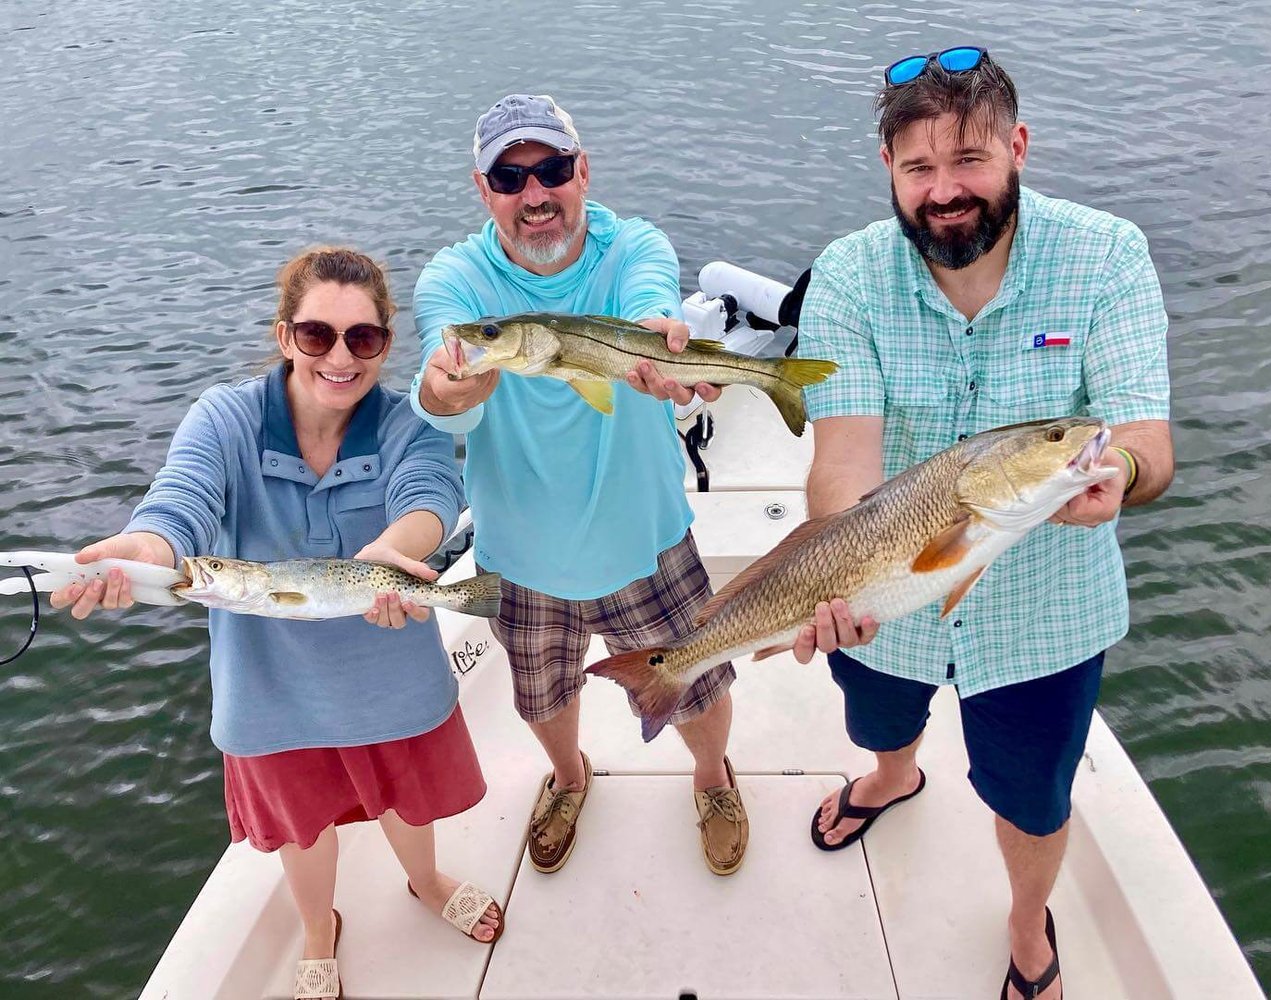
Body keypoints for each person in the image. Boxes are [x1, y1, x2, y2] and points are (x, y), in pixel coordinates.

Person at [792, 47, 1174, 1000]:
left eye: (969, 161)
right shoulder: (847, 274)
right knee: (878, 715)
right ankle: (891, 777)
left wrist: (1117, 474)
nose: (945, 191)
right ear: (888, 168)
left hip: (1049, 616)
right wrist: (839, 582)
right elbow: (843, 465)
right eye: (919, 168)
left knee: (1032, 799)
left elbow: (1143, 439)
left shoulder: (1107, 254)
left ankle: (1025, 925)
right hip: (886, 603)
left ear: (1019, 147)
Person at [51, 247, 503, 1000]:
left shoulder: (404, 423)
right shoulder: (225, 418)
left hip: (387, 671)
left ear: (385, 345)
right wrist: (148, 548)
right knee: (304, 827)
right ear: (285, 334)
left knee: (404, 803)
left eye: (363, 339)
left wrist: (395, 551)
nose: (339, 357)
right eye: (317, 333)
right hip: (270, 692)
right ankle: (319, 927)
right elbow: (182, 501)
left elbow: (430, 489)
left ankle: (423, 881)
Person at [410, 94, 748, 877]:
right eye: (510, 176)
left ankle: (711, 778)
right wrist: (443, 392)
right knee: (540, 696)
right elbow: (441, 369)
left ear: (583, 171)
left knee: (692, 685)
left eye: (552, 169)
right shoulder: (456, 277)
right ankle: (568, 777)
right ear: (483, 188)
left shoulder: (633, 247)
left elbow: (651, 303)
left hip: (645, 539)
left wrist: (664, 343)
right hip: (519, 556)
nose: (535, 195)